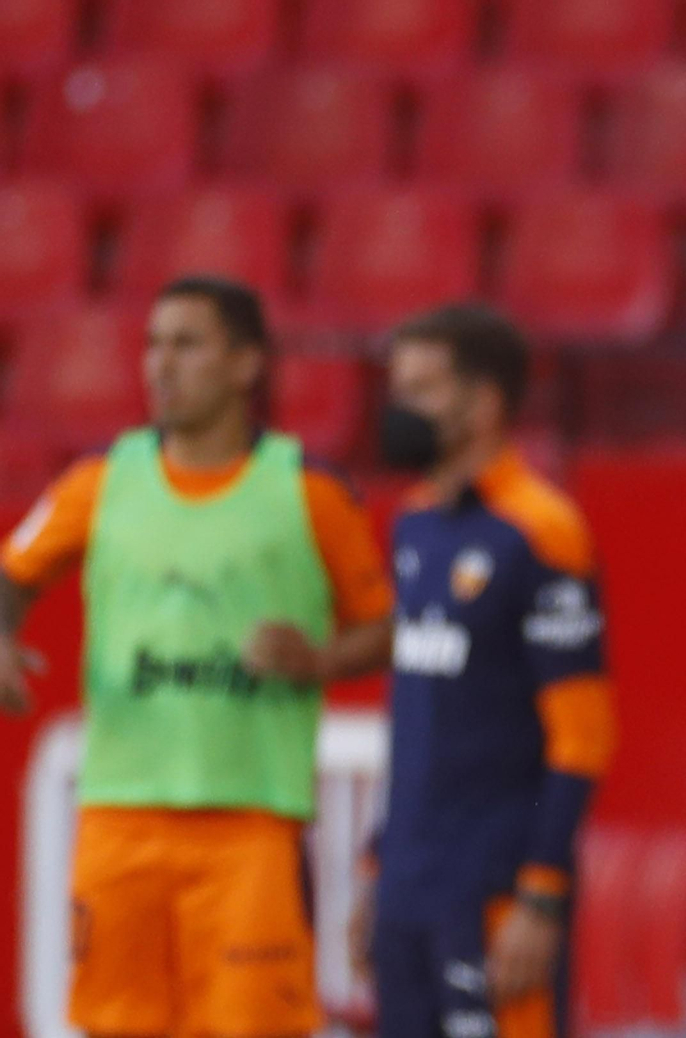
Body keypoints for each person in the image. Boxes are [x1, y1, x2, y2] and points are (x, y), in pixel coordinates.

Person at [0, 275, 394, 1037]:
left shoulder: (310, 493)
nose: (160, 364)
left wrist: (318, 660)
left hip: (250, 826)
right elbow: (10, 577)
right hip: (119, 819)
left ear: (247, 364)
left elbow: (385, 629)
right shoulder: (99, 483)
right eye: (152, 344)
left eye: (186, 343)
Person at [350, 303, 618, 1038]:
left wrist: (541, 895)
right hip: (409, 885)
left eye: (423, 391)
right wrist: (378, 871)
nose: (401, 411)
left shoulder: (541, 531)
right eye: (397, 390)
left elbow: (583, 734)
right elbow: (418, 719)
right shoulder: (413, 523)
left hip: (493, 887)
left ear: (486, 401)